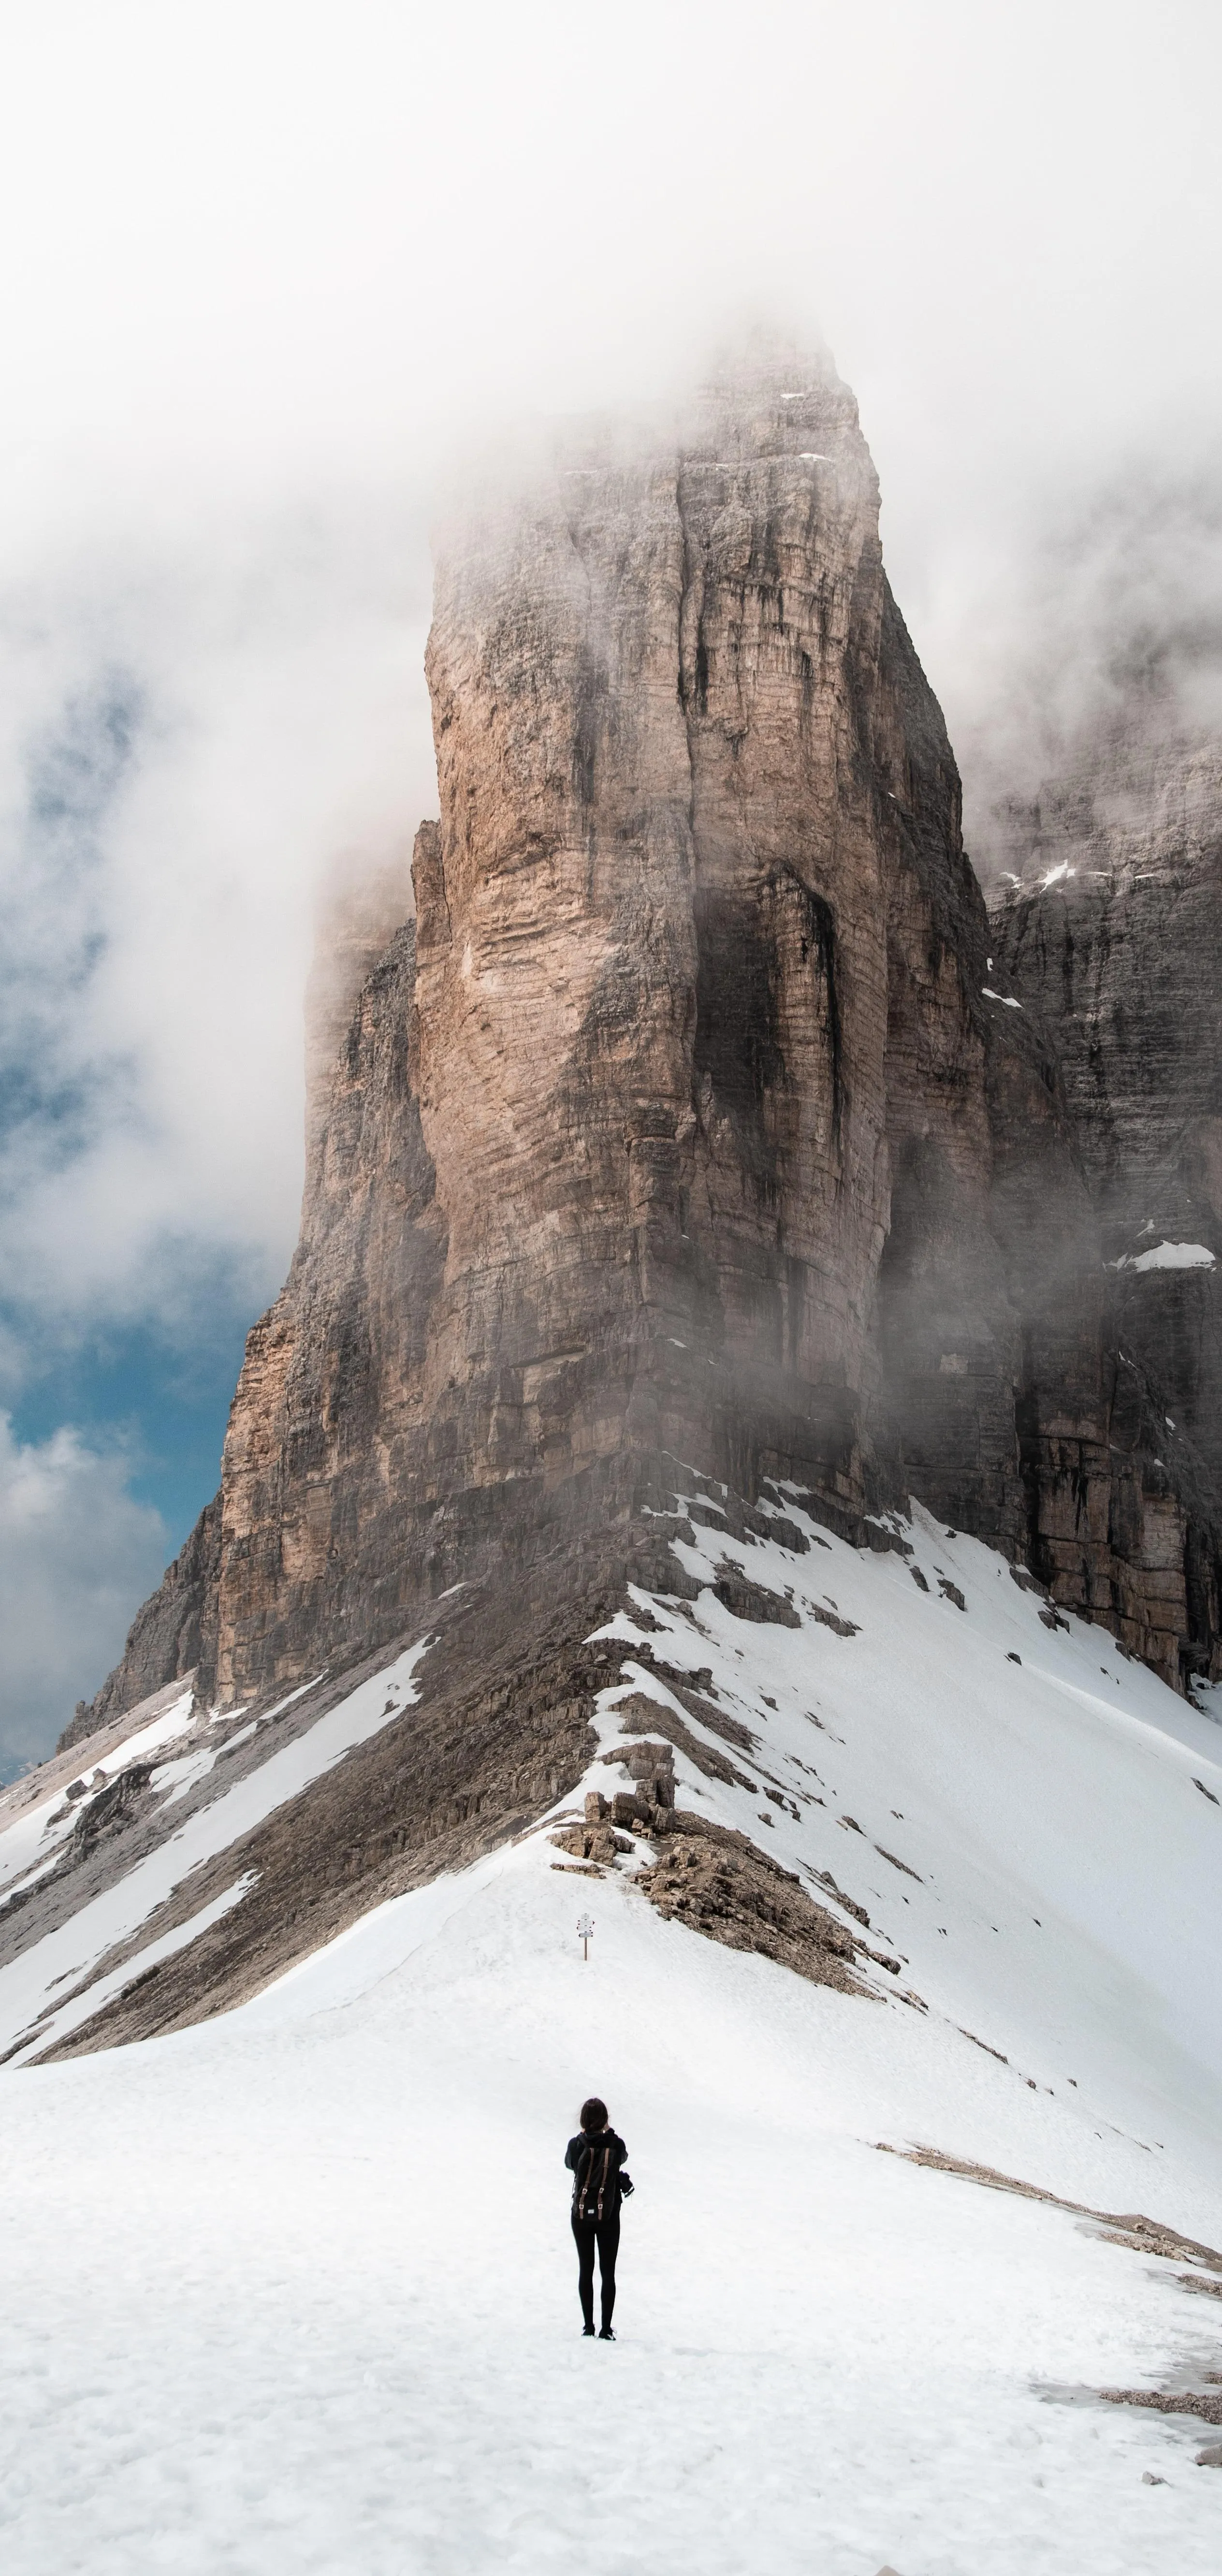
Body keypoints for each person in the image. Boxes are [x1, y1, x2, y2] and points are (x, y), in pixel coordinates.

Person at [565, 2095, 632, 2340]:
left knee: (586, 2268)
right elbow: (623, 2157)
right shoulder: (616, 2144)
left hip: (581, 2214)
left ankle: (588, 2326)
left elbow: (570, 2165)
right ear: (605, 2119)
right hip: (609, 2214)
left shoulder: (577, 2144)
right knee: (608, 2272)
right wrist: (608, 2133)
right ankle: (606, 2328)